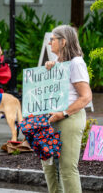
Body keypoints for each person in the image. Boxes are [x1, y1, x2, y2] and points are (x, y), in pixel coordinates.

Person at [43, 25, 92, 193]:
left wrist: (63, 113)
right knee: (49, 166)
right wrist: (51, 68)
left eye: (53, 39)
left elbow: (86, 96)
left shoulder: (76, 63)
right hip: (52, 118)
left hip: (69, 118)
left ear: (63, 41)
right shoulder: (58, 63)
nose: (50, 43)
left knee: (66, 168)